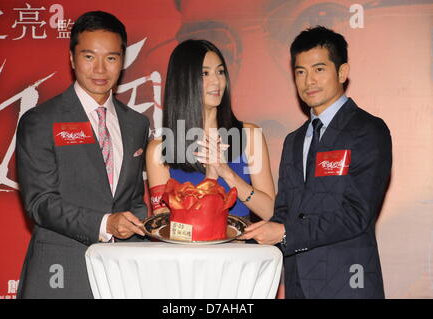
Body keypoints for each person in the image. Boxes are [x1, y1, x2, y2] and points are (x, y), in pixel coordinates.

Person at [240, 26, 392, 298]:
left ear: (342, 72)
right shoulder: (294, 140)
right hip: (298, 283)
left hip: (348, 282)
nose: (309, 80)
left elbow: (357, 214)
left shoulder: (368, 130)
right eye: (300, 72)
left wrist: (285, 233)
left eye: (319, 69)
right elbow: (284, 210)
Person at [15, 11, 149, 298]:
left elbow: (134, 199)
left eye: (111, 58)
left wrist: (149, 224)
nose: (100, 69)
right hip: (61, 269)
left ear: (122, 61)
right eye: (89, 57)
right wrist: (105, 224)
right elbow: (41, 202)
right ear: (72, 59)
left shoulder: (137, 124)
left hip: (121, 272)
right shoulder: (41, 120)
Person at [146, 39, 275, 221]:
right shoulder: (159, 149)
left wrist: (227, 173)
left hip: (240, 249)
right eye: (204, 74)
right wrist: (210, 182)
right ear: (184, 81)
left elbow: (270, 212)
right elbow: (164, 224)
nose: (217, 81)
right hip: (187, 250)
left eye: (220, 72)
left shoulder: (250, 135)